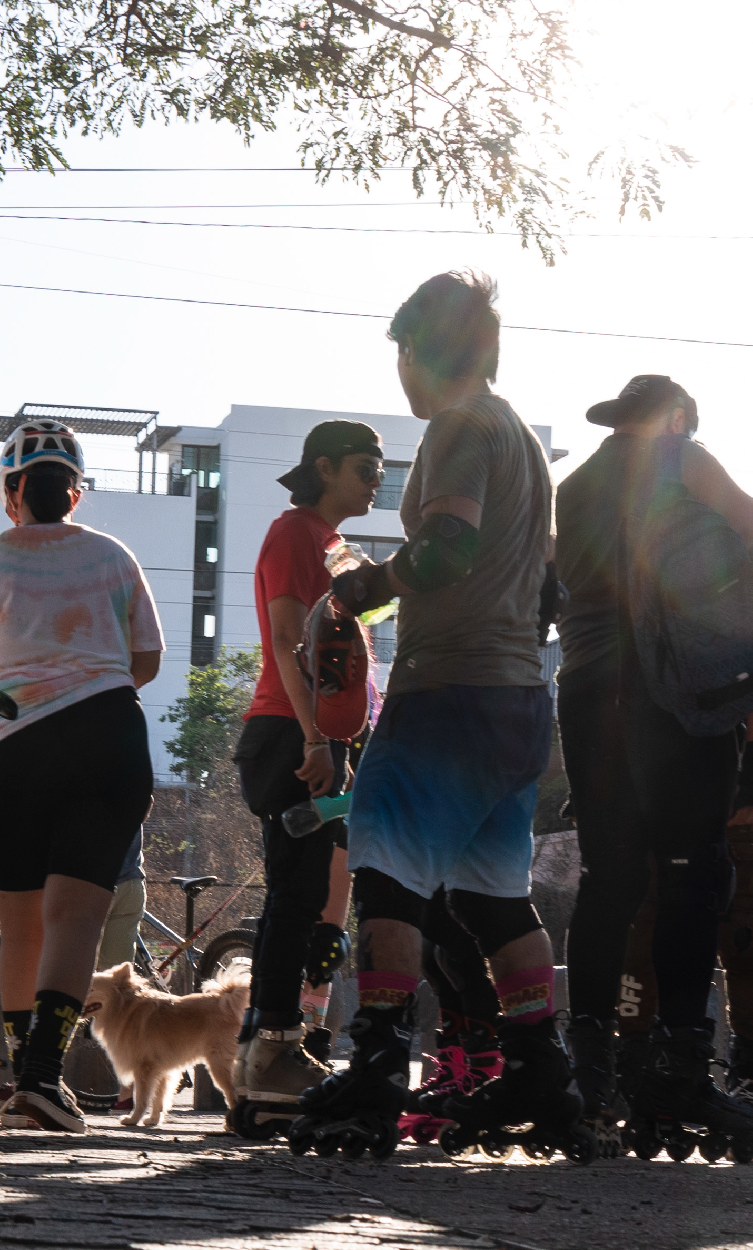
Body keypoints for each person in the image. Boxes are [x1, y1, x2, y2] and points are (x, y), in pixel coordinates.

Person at [289, 271, 570, 1156]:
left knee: (385, 873)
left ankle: (375, 1069)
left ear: (417, 350)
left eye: (401, 353)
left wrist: (357, 590)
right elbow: (545, 586)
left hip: (448, 692)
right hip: (518, 700)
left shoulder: (458, 428)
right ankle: (540, 1068)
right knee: (496, 898)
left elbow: (445, 548)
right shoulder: (519, 438)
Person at [552, 373, 753, 1151]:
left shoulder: (572, 488)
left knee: (608, 882)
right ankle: (680, 1069)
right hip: (669, 696)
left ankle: (590, 1077)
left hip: (585, 692)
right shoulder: (683, 461)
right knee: (694, 878)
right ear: (677, 419)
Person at [0, 419, 164, 1132]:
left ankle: (20, 1080)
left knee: (19, 924)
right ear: (74, 493)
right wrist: (87, 680)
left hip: (13, 750)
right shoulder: (113, 556)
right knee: (75, 915)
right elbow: (145, 660)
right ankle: (45, 1080)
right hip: (106, 738)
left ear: (10, 494)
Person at [224, 418, 383, 1136]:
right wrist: (317, 739)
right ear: (324, 467)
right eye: (364, 467)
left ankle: (262, 1055)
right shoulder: (294, 534)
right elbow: (288, 640)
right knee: (296, 896)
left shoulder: (333, 544)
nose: (375, 480)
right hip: (292, 734)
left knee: (307, 895)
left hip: (324, 738)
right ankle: (273, 1050)